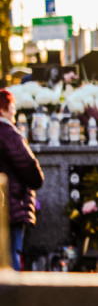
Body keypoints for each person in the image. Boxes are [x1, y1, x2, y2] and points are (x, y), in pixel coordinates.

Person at [0, 88, 43, 270]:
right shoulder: (8, 133)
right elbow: (28, 166)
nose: (14, 111)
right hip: (11, 204)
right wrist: (37, 180)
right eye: (12, 106)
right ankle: (12, 298)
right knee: (12, 255)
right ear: (3, 109)